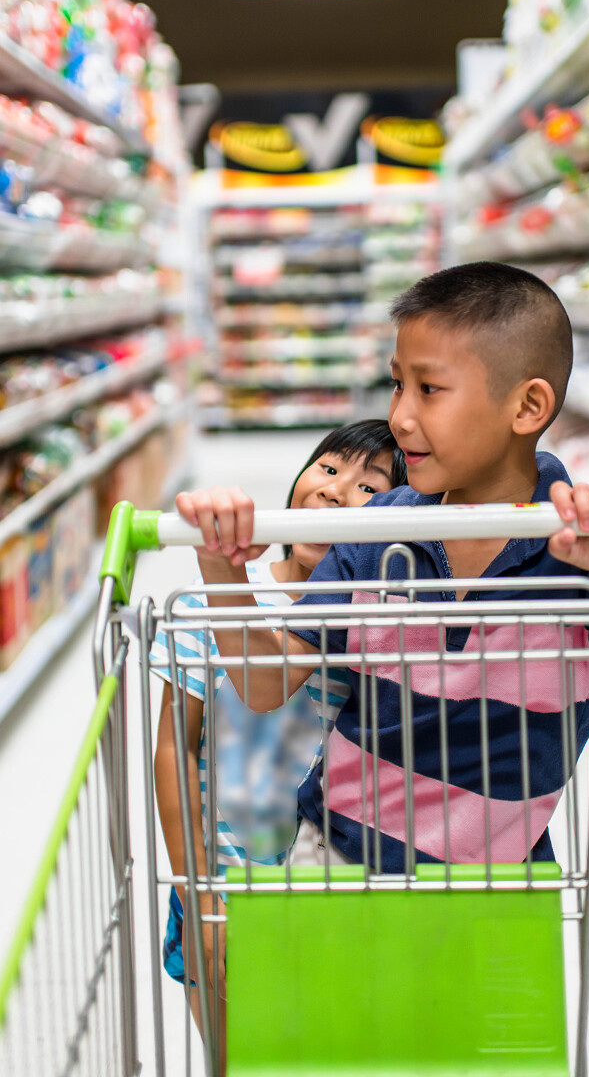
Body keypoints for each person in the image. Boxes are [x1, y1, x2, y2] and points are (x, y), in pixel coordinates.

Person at [191, 261, 589, 876]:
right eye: (396, 385)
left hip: (496, 882)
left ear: (527, 406)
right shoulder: (379, 531)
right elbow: (263, 685)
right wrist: (219, 568)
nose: (400, 417)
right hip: (335, 860)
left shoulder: (587, 553)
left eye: (429, 390)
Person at [151, 420, 406, 1036]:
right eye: (328, 468)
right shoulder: (206, 602)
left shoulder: (373, 620)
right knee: (232, 1050)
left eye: (370, 488)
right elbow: (173, 749)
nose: (337, 491)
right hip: (219, 876)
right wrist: (199, 890)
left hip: (334, 884)